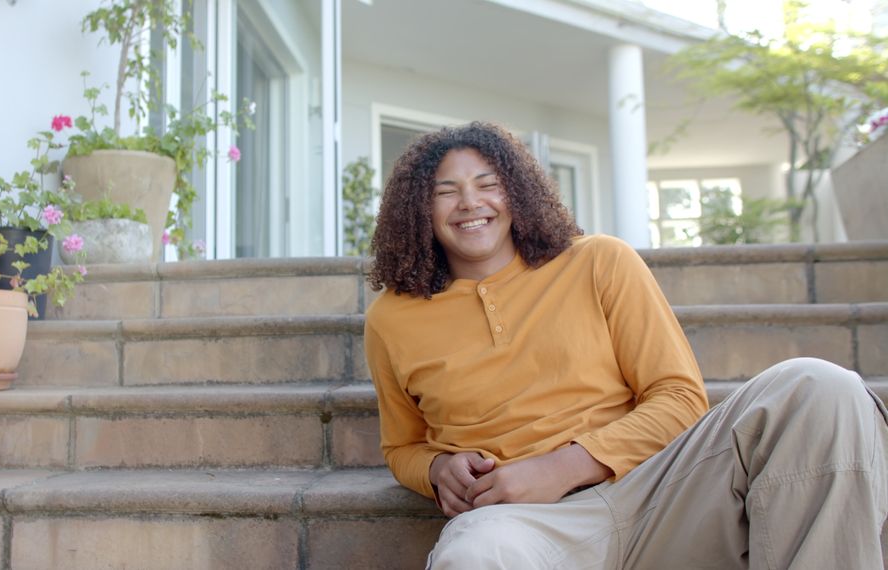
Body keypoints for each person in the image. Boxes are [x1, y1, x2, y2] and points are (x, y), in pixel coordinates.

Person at [363, 121, 888, 569]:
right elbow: (402, 446)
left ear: (516, 193)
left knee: (819, 387)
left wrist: (561, 467)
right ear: (419, 209)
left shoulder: (598, 261)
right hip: (520, 523)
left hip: (663, 490)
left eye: (488, 183)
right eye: (445, 190)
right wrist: (435, 470)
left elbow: (680, 398)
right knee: (475, 557)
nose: (470, 202)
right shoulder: (392, 318)